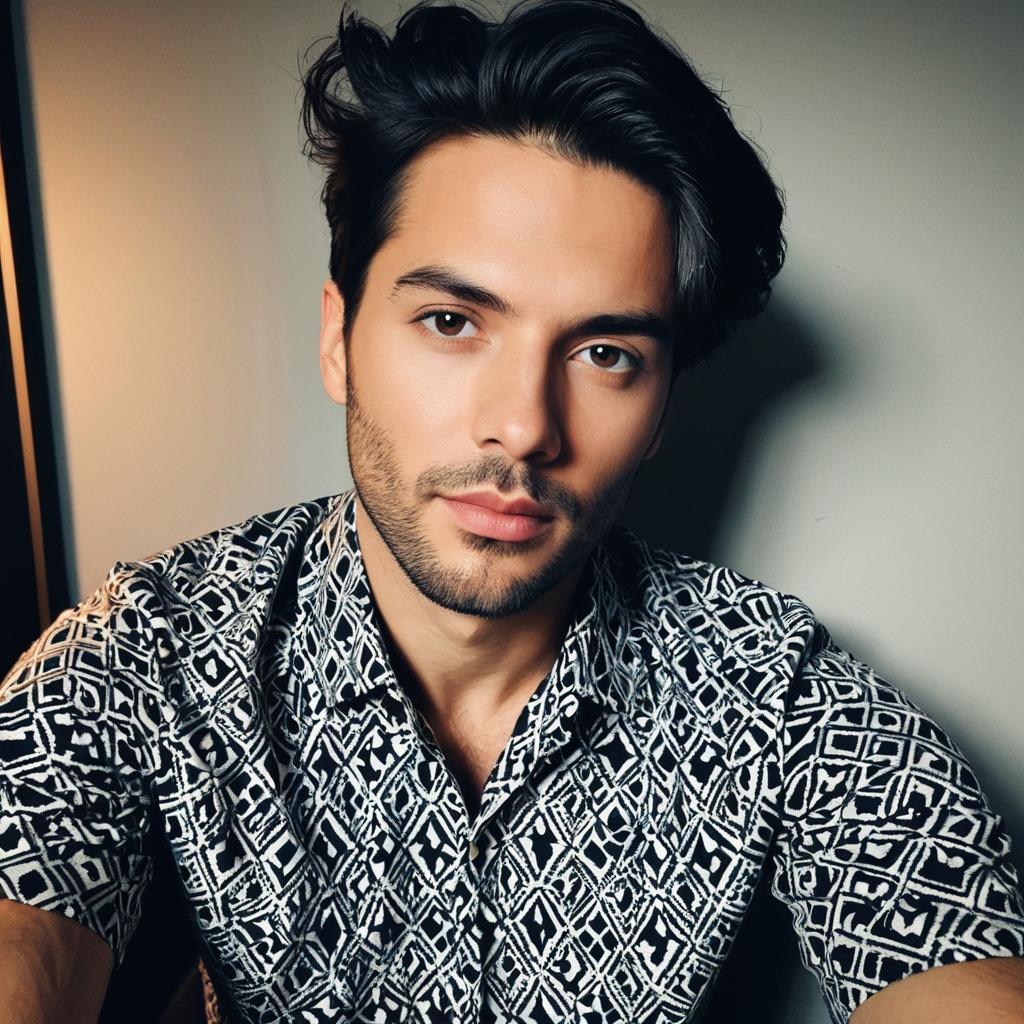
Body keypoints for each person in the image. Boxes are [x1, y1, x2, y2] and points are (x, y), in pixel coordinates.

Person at [1, 0, 1023, 1021]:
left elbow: (962, 975)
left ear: (661, 402)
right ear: (337, 336)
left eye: (605, 353)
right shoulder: (151, 653)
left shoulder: (777, 690)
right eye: (452, 321)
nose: (523, 427)